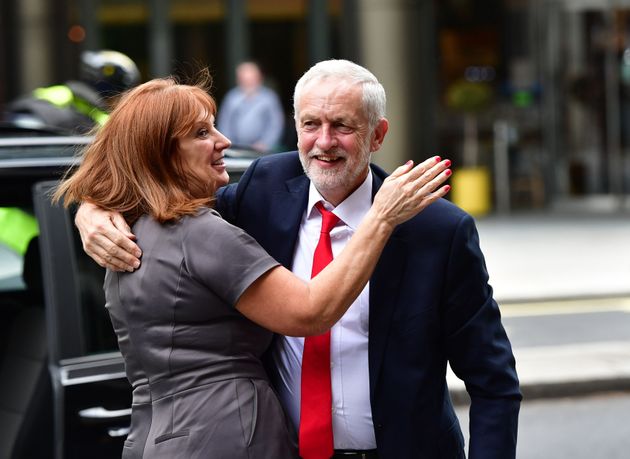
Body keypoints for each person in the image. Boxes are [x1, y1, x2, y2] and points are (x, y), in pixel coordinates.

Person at [76, 59, 521, 458]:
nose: (323, 142)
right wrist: (91, 211)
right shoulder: (263, 189)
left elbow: (492, 380)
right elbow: (158, 189)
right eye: (311, 124)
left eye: (342, 126)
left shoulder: (436, 230)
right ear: (294, 126)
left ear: (378, 135)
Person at [4, 49, 140, 134]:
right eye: (123, 94)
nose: (123, 100)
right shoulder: (62, 96)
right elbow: (21, 123)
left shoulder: (107, 118)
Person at [216, 61, 285, 152]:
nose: (248, 83)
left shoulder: (269, 98)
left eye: (251, 80)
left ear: (259, 78)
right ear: (238, 80)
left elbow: (276, 124)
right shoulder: (231, 98)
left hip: (263, 150)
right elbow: (224, 122)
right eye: (244, 80)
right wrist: (228, 143)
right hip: (236, 149)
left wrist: (265, 143)